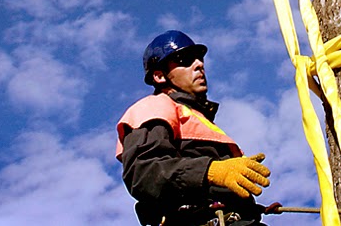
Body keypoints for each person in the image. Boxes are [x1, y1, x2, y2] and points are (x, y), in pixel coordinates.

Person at [116, 30, 272, 226]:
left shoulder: (199, 119)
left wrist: (249, 208)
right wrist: (210, 171)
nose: (199, 64)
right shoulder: (154, 106)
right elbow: (144, 173)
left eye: (199, 59)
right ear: (159, 76)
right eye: (185, 60)